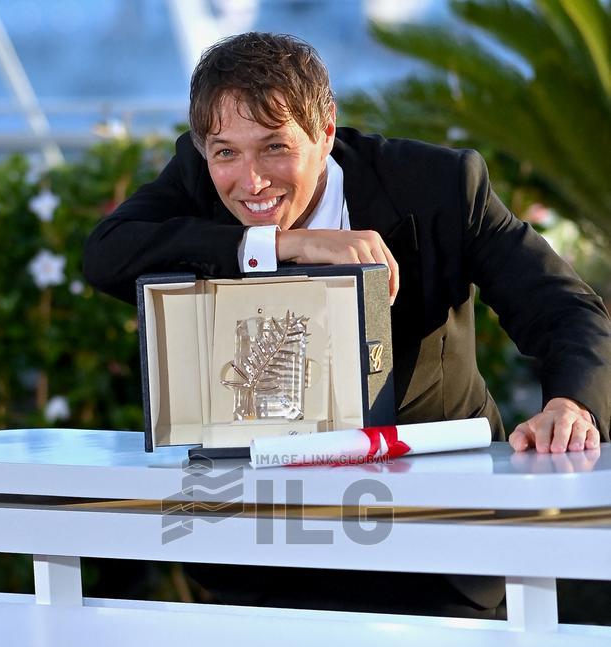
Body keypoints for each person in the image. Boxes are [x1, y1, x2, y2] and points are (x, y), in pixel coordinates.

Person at [83, 32, 611, 616]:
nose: (250, 180)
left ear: (326, 130)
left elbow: (564, 308)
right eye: (226, 152)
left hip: (433, 548)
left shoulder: (439, 185)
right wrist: (279, 244)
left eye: (275, 147)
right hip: (261, 558)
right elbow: (107, 255)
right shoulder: (198, 172)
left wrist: (571, 405)